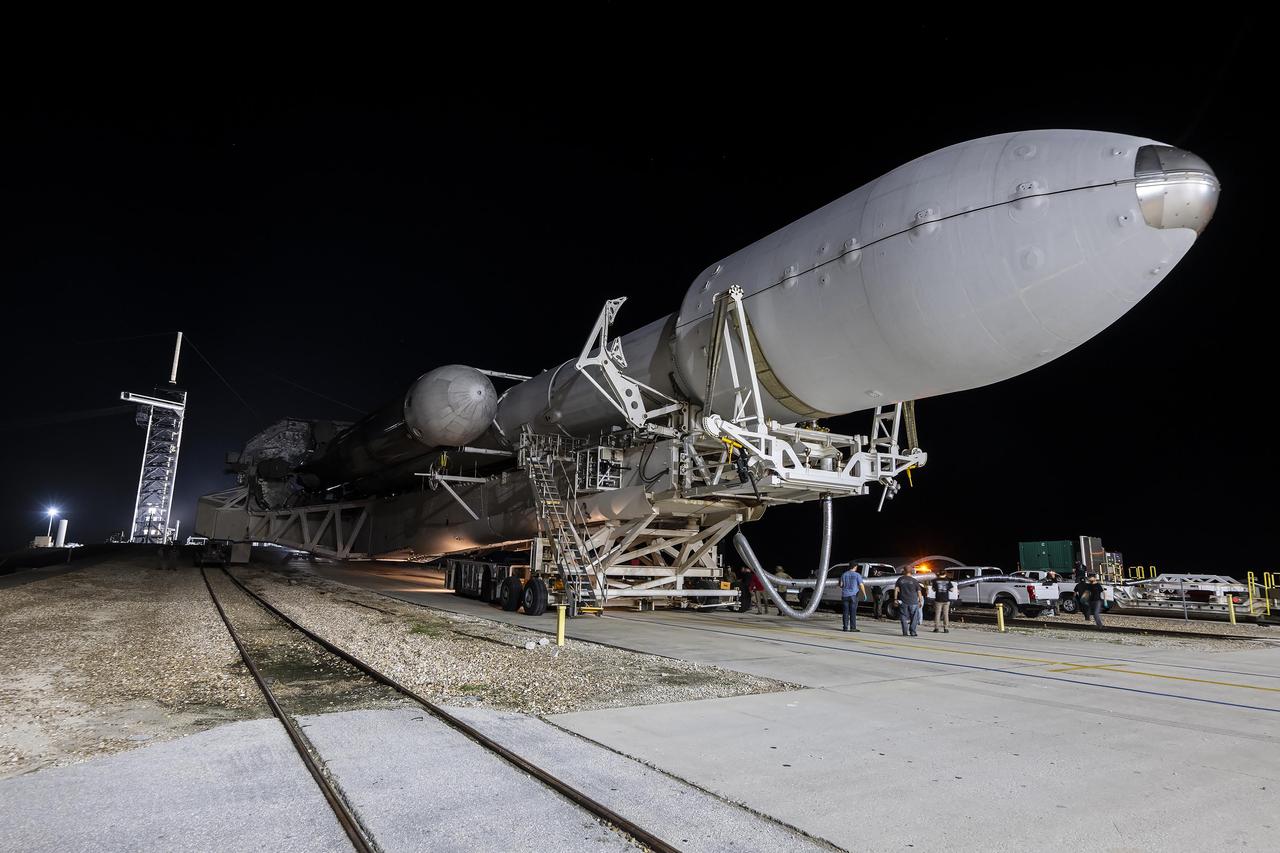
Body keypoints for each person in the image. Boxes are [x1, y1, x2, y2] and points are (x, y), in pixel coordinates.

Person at [893, 567, 923, 636]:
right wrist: (920, 601)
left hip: (903, 601)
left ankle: (905, 632)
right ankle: (912, 632)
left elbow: (896, 590)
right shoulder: (914, 581)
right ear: (911, 572)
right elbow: (919, 592)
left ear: (904, 571)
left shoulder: (900, 579)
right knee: (914, 617)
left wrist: (895, 599)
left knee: (903, 616)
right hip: (913, 602)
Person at [839, 563, 866, 632]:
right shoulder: (857, 575)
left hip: (845, 595)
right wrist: (864, 594)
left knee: (845, 612)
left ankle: (845, 627)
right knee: (853, 612)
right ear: (855, 567)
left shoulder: (844, 574)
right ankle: (852, 628)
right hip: (853, 595)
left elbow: (841, 585)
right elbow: (861, 585)